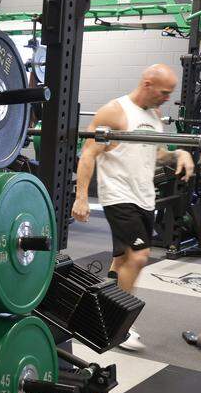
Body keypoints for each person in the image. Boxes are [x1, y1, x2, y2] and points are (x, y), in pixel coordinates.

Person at [71, 64, 194, 351]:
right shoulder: (114, 111)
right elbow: (88, 153)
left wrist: (180, 153)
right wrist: (81, 197)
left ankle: (97, 312)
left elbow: (158, 153)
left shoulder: (155, 115)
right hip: (118, 195)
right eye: (164, 93)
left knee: (121, 262)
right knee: (138, 258)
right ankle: (119, 325)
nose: (167, 98)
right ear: (148, 84)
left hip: (144, 198)